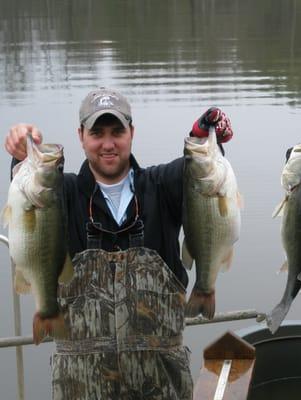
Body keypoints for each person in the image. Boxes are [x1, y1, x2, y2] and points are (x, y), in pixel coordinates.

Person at [4, 88, 233, 400]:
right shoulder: (61, 193)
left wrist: (201, 134)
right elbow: (30, 194)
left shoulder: (162, 186)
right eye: (97, 133)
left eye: (117, 132)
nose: (108, 144)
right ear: (81, 136)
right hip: (79, 389)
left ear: (132, 133)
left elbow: (201, 176)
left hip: (163, 386)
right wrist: (21, 154)